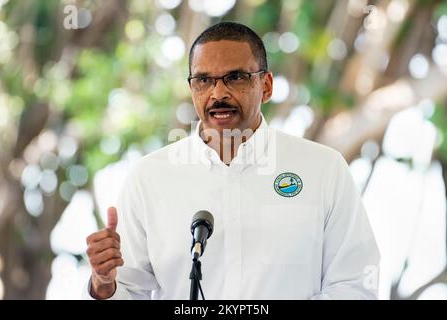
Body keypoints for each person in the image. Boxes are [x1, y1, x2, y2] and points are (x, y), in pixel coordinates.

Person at [84, 22, 380, 300]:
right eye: (204, 80)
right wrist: (104, 284)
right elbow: (127, 290)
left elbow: (354, 285)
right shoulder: (148, 179)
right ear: (192, 89)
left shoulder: (323, 170)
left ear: (266, 86)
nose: (218, 93)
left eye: (235, 77)